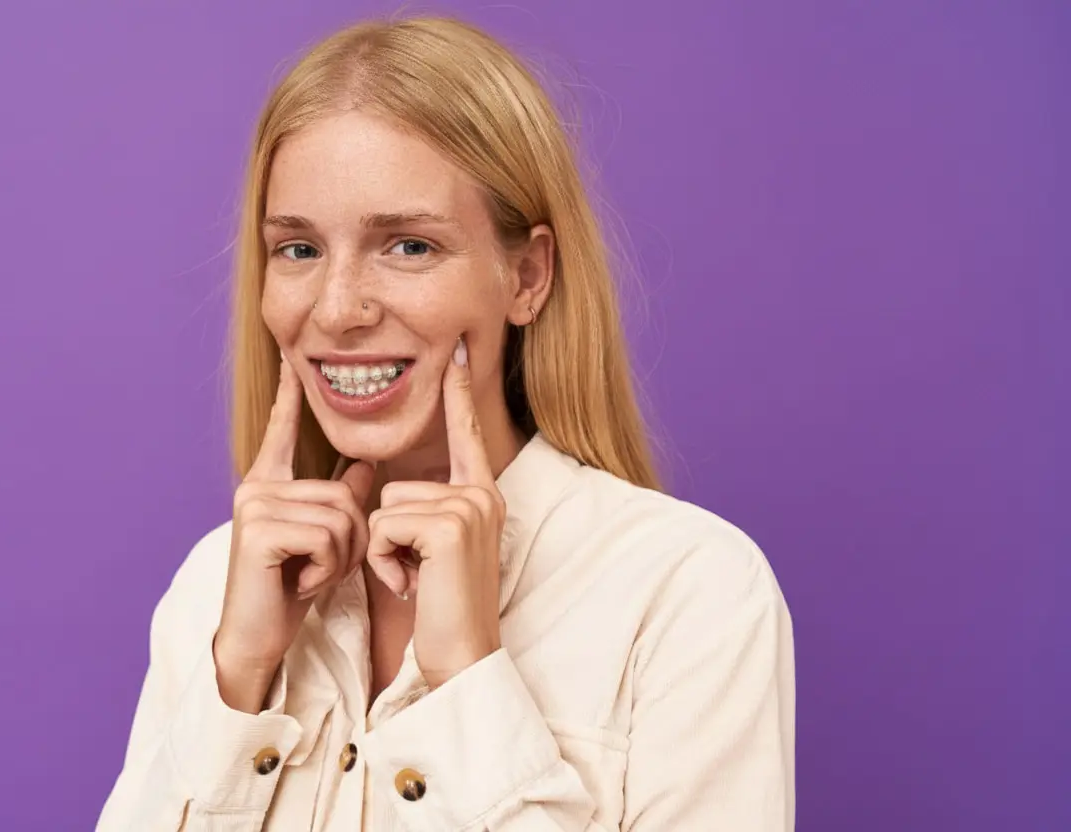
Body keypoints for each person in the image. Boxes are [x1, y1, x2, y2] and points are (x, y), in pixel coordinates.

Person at [97, 13, 794, 831]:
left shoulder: (689, 591)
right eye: (298, 250)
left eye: (409, 247)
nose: (337, 308)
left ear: (527, 275)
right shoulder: (213, 590)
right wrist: (239, 674)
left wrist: (467, 679)